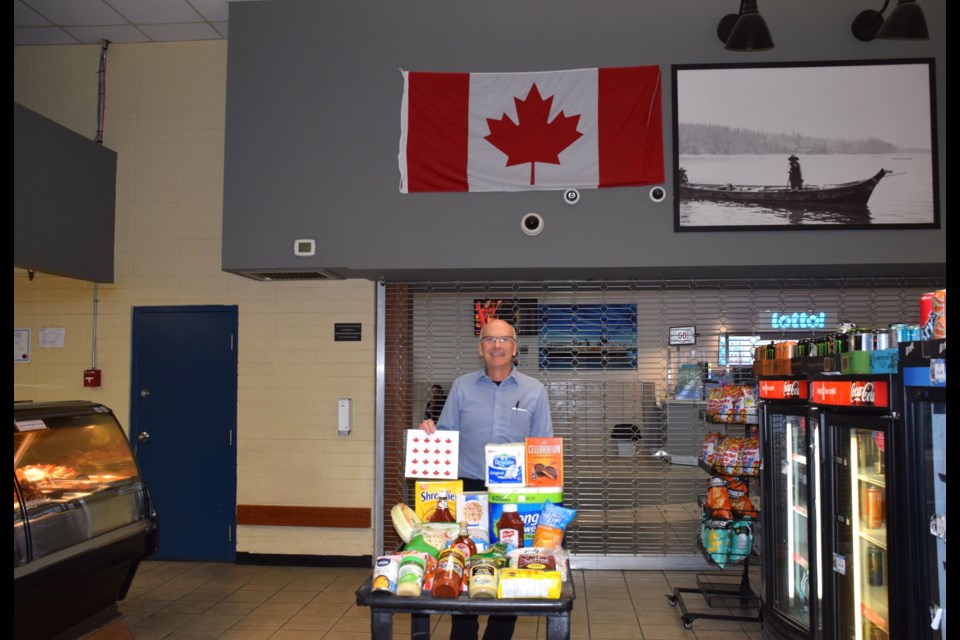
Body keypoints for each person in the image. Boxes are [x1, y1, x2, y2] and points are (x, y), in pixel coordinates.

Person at [420, 318, 553, 640]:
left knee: (509, 563)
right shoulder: (462, 386)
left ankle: (498, 635)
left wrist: (545, 499)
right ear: (481, 348)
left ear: (515, 347)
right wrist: (431, 433)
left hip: (515, 494)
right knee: (466, 559)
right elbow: (447, 434)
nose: (497, 345)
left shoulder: (534, 390)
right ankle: (463, 633)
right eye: (490, 339)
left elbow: (543, 447)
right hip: (469, 488)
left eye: (504, 339)